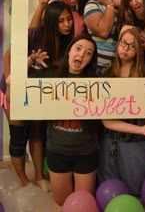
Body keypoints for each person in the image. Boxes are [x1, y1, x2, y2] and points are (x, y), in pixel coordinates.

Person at [97, 28, 145, 196]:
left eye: (132, 46)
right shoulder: (106, 71)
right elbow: (102, 113)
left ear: (138, 51)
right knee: (110, 192)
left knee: (137, 192)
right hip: (110, 140)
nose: (126, 48)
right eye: (123, 43)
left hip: (138, 143)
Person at [45, 35, 100, 206]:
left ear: (90, 60)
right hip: (57, 152)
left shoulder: (96, 84)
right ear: (69, 51)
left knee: (83, 204)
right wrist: (30, 60)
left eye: (88, 53)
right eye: (78, 49)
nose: (82, 55)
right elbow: (11, 82)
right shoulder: (50, 79)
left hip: (85, 153)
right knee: (61, 201)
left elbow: (107, 120)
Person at [0, 49, 50, 191]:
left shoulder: (50, 39)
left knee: (37, 132)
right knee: (18, 136)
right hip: (13, 90)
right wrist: (10, 85)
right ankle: (23, 180)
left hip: (34, 90)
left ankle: (39, 177)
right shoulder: (22, 40)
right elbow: (9, 58)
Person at [77, 0, 120, 69]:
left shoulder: (116, 3)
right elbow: (104, 31)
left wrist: (121, 6)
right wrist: (109, 5)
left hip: (120, 64)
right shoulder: (91, 5)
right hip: (101, 66)